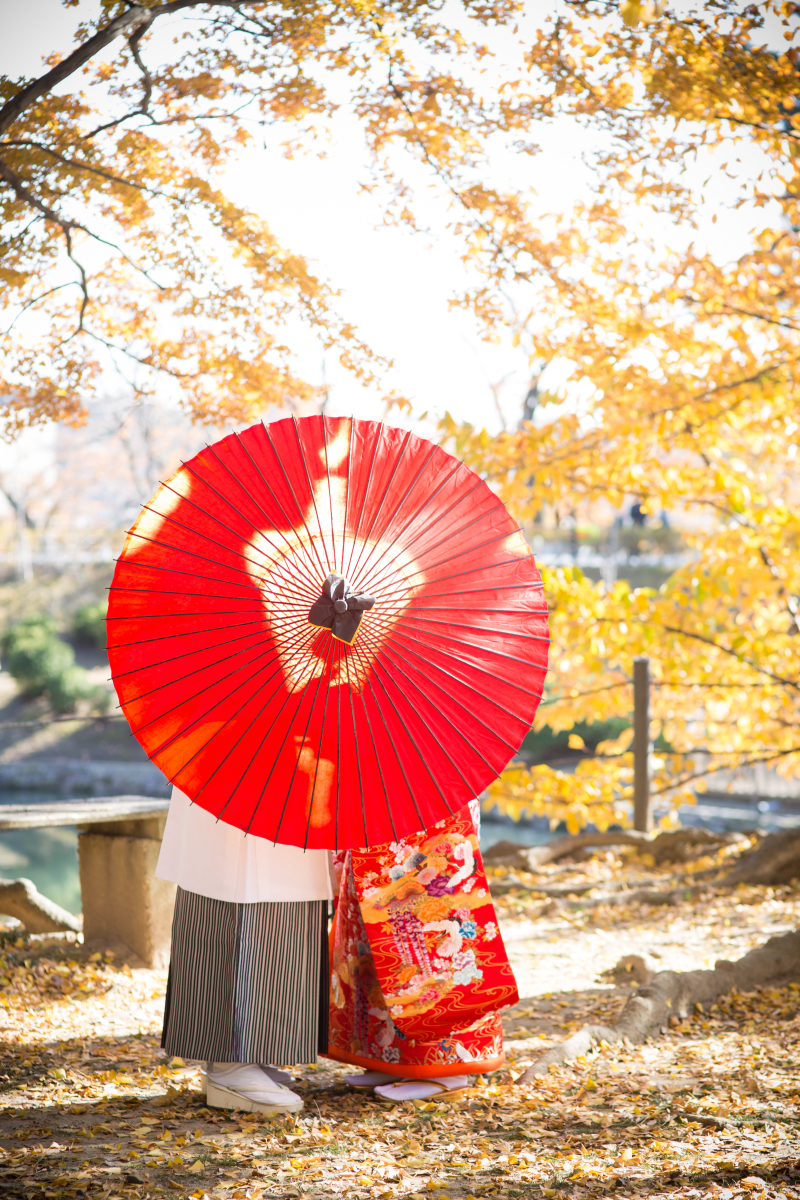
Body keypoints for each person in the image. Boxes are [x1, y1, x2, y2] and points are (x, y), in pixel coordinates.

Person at [325, 799, 518, 1101]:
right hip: (378, 803)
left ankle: (449, 1069)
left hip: (431, 802)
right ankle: (393, 1057)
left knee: (430, 943)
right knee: (377, 935)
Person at [155, 785, 332, 1114]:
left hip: (291, 769)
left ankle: (253, 1052)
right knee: (236, 899)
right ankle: (229, 1062)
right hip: (240, 770)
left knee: (286, 899)